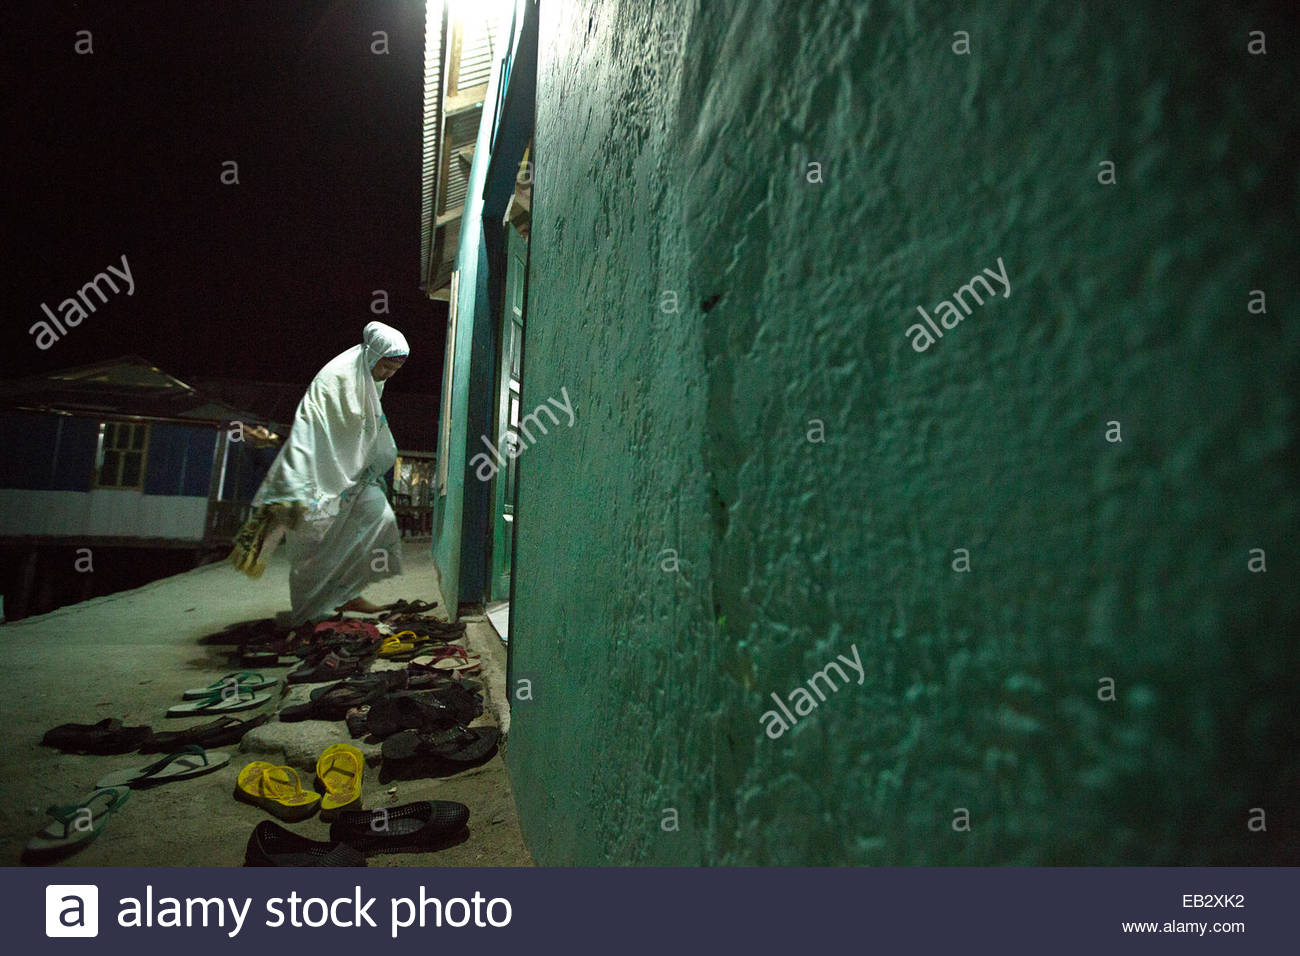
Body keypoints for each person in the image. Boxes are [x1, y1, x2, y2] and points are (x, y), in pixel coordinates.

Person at [229, 321, 409, 623]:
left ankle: (348, 596)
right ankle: (308, 613)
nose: (389, 374)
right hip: (317, 475)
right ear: (373, 356)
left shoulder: (370, 377)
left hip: (355, 477)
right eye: (387, 367)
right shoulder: (338, 379)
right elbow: (324, 434)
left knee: (379, 519)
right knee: (314, 543)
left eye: (395, 369)